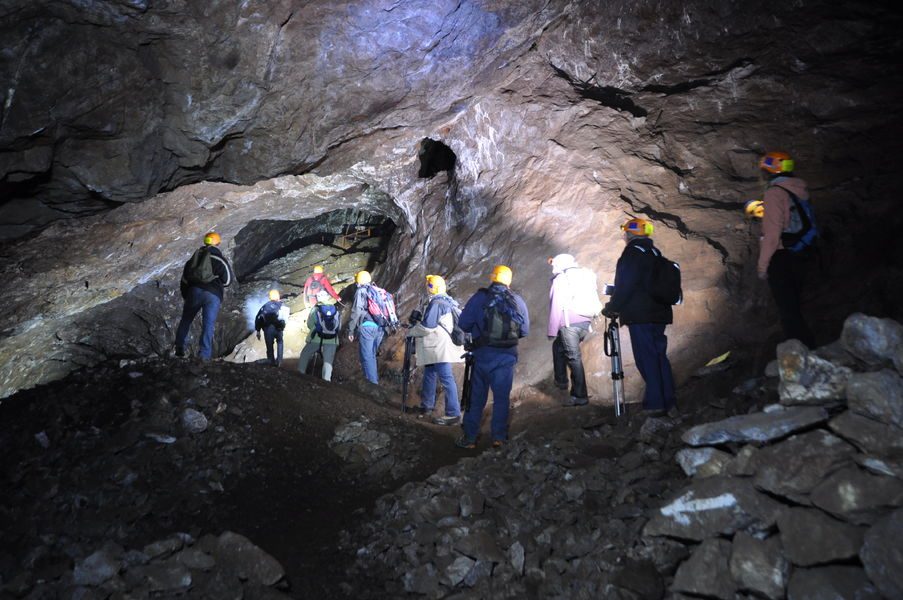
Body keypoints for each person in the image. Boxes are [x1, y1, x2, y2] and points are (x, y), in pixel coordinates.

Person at [602, 218, 676, 414]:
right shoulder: (655, 253)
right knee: (659, 356)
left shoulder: (632, 254)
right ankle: (668, 400)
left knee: (646, 358)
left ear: (629, 234)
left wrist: (613, 306)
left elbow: (626, 285)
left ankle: (655, 404)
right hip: (659, 314)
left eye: (625, 232)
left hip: (641, 315)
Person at [456, 265, 530, 448]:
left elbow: (463, 324)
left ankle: (470, 438)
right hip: (506, 358)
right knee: (502, 398)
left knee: (477, 398)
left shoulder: (480, 297)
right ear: (509, 281)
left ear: (492, 278)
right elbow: (525, 330)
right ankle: (499, 438)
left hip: (482, 356)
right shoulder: (517, 300)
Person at [750, 151, 816, 348]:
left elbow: (772, 234)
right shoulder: (799, 190)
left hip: (782, 257)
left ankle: (801, 353)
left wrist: (763, 266)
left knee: (788, 310)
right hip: (801, 252)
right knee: (795, 306)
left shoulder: (774, 193)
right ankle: (808, 348)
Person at [407, 275, 464, 426]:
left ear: (432, 287)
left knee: (446, 377)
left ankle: (453, 413)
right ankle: (426, 406)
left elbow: (428, 327)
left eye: (429, 285)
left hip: (439, 348)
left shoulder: (437, 303)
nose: (427, 287)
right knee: (430, 374)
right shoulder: (447, 301)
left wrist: (412, 331)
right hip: (436, 347)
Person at [175, 231, 232, 360]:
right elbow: (228, 280)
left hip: (193, 292)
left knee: (186, 320)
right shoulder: (219, 259)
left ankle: (179, 349)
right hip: (212, 295)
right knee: (208, 325)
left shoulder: (193, 259)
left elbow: (184, 280)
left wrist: (187, 296)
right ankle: (204, 355)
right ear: (217, 243)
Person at [547, 253, 592, 407]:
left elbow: (556, 306)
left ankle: (580, 396)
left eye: (554, 264)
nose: (553, 267)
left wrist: (552, 330)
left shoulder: (561, 278)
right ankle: (561, 381)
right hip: (585, 323)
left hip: (569, 325)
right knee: (559, 346)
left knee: (574, 358)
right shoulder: (583, 275)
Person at [347, 270, 386, 384]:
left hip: (368, 327)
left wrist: (350, 330)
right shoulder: (376, 290)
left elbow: (356, 312)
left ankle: (372, 385)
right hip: (380, 328)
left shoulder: (361, 291)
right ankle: (374, 381)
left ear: (358, 281)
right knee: (371, 356)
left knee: (367, 357)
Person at [298, 291, 341, 381]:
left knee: (305, 355)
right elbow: (338, 326)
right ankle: (326, 381)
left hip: (316, 338)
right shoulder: (335, 309)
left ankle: (300, 375)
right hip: (332, 340)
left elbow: (310, 324)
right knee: (328, 362)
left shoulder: (316, 309)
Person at [254, 289, 290, 367]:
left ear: (270, 297)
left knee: (269, 346)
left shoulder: (265, 306)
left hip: (268, 329)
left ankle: (271, 361)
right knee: (280, 342)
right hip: (278, 328)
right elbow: (286, 317)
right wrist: (283, 326)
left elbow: (258, 318)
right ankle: (279, 361)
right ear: (278, 296)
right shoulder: (282, 305)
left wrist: (258, 330)